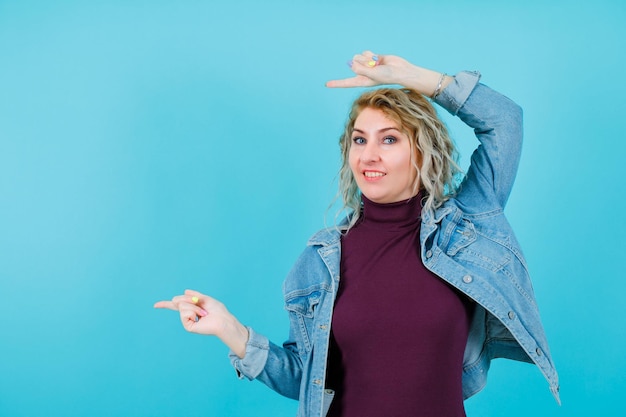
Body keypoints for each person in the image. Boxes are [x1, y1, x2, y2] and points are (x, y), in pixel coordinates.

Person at [154, 51, 559, 417]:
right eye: (360, 140)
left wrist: (414, 76)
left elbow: (505, 121)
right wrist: (231, 331)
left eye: (389, 139)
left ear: (423, 150)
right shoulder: (322, 258)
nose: (369, 156)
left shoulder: (464, 226)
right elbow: (306, 378)